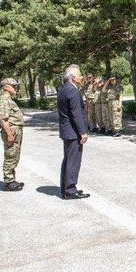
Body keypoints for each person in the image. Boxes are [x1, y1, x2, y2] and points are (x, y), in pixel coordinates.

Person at [57, 65, 90, 200]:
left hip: (66, 130)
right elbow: (76, 113)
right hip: (73, 131)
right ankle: (70, 190)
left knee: (68, 160)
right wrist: (83, 132)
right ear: (72, 78)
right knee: (73, 161)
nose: (81, 77)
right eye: (79, 75)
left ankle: (65, 188)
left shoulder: (62, 89)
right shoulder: (73, 91)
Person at [0, 78, 24, 191]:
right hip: (11, 131)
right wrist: (9, 134)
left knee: (14, 155)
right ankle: (8, 182)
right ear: (6, 87)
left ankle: (12, 179)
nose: (15, 87)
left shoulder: (8, 99)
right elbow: (4, 119)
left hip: (15, 130)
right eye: (14, 86)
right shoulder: (4, 100)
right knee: (10, 156)